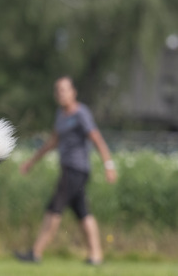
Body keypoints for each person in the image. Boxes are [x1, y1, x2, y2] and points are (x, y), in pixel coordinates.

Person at [15, 76, 117, 265]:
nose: (60, 94)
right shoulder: (61, 115)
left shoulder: (81, 113)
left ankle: (36, 253)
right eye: (57, 90)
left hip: (76, 169)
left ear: (73, 92)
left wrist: (108, 165)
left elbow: (96, 139)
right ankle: (96, 256)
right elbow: (53, 142)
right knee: (82, 212)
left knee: (54, 208)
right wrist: (32, 161)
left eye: (64, 90)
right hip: (68, 169)